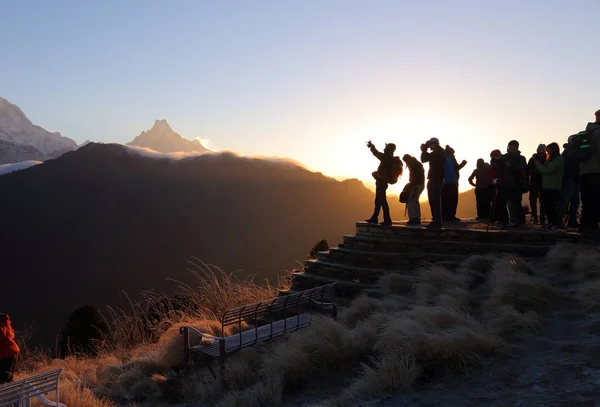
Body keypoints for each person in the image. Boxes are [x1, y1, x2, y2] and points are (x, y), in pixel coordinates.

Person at [494, 140, 528, 229]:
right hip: (504, 184)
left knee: (516, 204)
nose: (510, 149)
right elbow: (495, 164)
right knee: (501, 203)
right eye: (509, 147)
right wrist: (496, 160)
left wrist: (511, 166)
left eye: (512, 148)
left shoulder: (521, 158)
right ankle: (504, 222)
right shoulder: (504, 157)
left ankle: (520, 222)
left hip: (516, 184)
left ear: (517, 148)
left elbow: (522, 168)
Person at [534, 143, 565, 231]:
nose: (548, 152)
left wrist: (536, 162)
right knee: (547, 206)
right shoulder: (551, 159)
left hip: (553, 186)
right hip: (547, 186)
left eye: (549, 150)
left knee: (551, 206)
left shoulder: (558, 160)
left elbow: (547, 170)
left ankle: (554, 224)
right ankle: (550, 223)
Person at [579, 110, 600, 236]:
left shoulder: (586, 133)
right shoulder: (598, 133)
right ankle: (592, 228)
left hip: (584, 172)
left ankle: (584, 226)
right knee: (596, 201)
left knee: (587, 201)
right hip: (596, 171)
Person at [365, 141, 396, 226]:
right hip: (382, 182)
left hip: (381, 182)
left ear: (389, 149)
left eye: (386, 148)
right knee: (378, 201)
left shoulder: (386, 158)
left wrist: (372, 146)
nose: (384, 149)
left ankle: (387, 219)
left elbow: (376, 153)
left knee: (382, 201)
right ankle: (374, 218)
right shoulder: (391, 159)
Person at [421, 137, 446, 229]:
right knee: (432, 200)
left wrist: (424, 150)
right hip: (433, 178)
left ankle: (437, 221)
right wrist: (424, 151)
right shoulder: (436, 153)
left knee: (435, 200)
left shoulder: (439, 153)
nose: (430, 146)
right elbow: (423, 159)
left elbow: (430, 159)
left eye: (431, 144)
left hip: (437, 178)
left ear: (435, 144)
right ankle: (435, 220)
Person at [558, 137, 580, 229]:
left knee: (574, 201)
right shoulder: (568, 152)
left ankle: (571, 220)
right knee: (566, 201)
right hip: (569, 179)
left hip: (574, 179)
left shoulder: (568, 152)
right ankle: (560, 220)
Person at [441, 146, 467, 222]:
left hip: (453, 182)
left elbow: (457, 168)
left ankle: (451, 216)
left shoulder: (452, 159)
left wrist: (463, 164)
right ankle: (445, 216)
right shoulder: (443, 159)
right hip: (445, 183)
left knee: (453, 200)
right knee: (446, 200)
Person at [402, 154, 425, 225]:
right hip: (420, 184)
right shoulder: (416, 163)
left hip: (416, 185)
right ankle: (417, 217)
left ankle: (413, 218)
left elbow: (414, 176)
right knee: (415, 200)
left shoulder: (413, 165)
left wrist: (411, 183)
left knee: (411, 201)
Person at [527, 144, 547, 225]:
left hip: (543, 182)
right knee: (533, 200)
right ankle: (535, 216)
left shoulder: (547, 158)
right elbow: (528, 170)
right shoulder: (532, 160)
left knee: (543, 201)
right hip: (534, 182)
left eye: (542, 153)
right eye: (539, 153)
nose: (541, 155)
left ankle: (542, 217)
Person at [0, 313, 19, 384]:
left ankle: (8, 393)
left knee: (3, 378)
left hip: (6, 354)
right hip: (14, 352)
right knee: (9, 375)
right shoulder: (8, 327)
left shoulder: (1, 329)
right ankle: (13, 390)